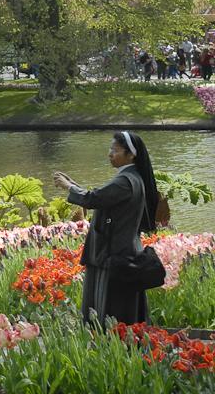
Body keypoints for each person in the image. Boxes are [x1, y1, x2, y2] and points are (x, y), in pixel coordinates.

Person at [53, 131, 159, 326]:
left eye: (115, 150)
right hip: (125, 250)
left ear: (131, 154)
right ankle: (127, 339)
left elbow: (94, 199)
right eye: (110, 149)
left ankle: (110, 340)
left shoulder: (124, 181)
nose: (110, 154)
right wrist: (74, 185)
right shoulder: (133, 177)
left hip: (114, 253)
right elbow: (101, 198)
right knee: (125, 307)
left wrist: (69, 186)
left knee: (110, 309)